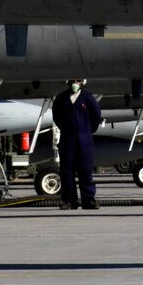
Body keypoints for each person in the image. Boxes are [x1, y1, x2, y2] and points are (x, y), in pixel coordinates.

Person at [50, 78, 102, 210]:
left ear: (82, 83)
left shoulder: (88, 98)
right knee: (67, 171)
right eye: (73, 80)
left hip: (84, 140)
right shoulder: (61, 99)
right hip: (68, 139)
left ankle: (88, 199)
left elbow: (96, 116)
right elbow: (57, 117)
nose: (75, 83)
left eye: (78, 80)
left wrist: (87, 130)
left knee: (85, 171)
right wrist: (66, 129)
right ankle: (69, 200)